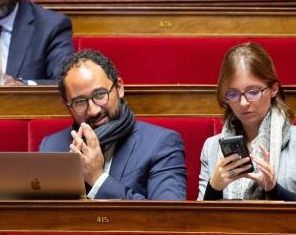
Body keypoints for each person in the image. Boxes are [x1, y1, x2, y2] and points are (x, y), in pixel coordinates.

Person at [198, 42, 296, 202]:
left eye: (253, 92)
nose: (244, 103)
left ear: (274, 89)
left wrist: (275, 191)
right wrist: (214, 188)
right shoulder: (211, 148)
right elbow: (200, 223)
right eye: (232, 94)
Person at [39, 49, 187, 200]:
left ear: (119, 88)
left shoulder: (160, 143)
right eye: (79, 102)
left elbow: (168, 218)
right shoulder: (51, 147)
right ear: (66, 105)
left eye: (100, 95)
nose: (93, 110)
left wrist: (97, 179)